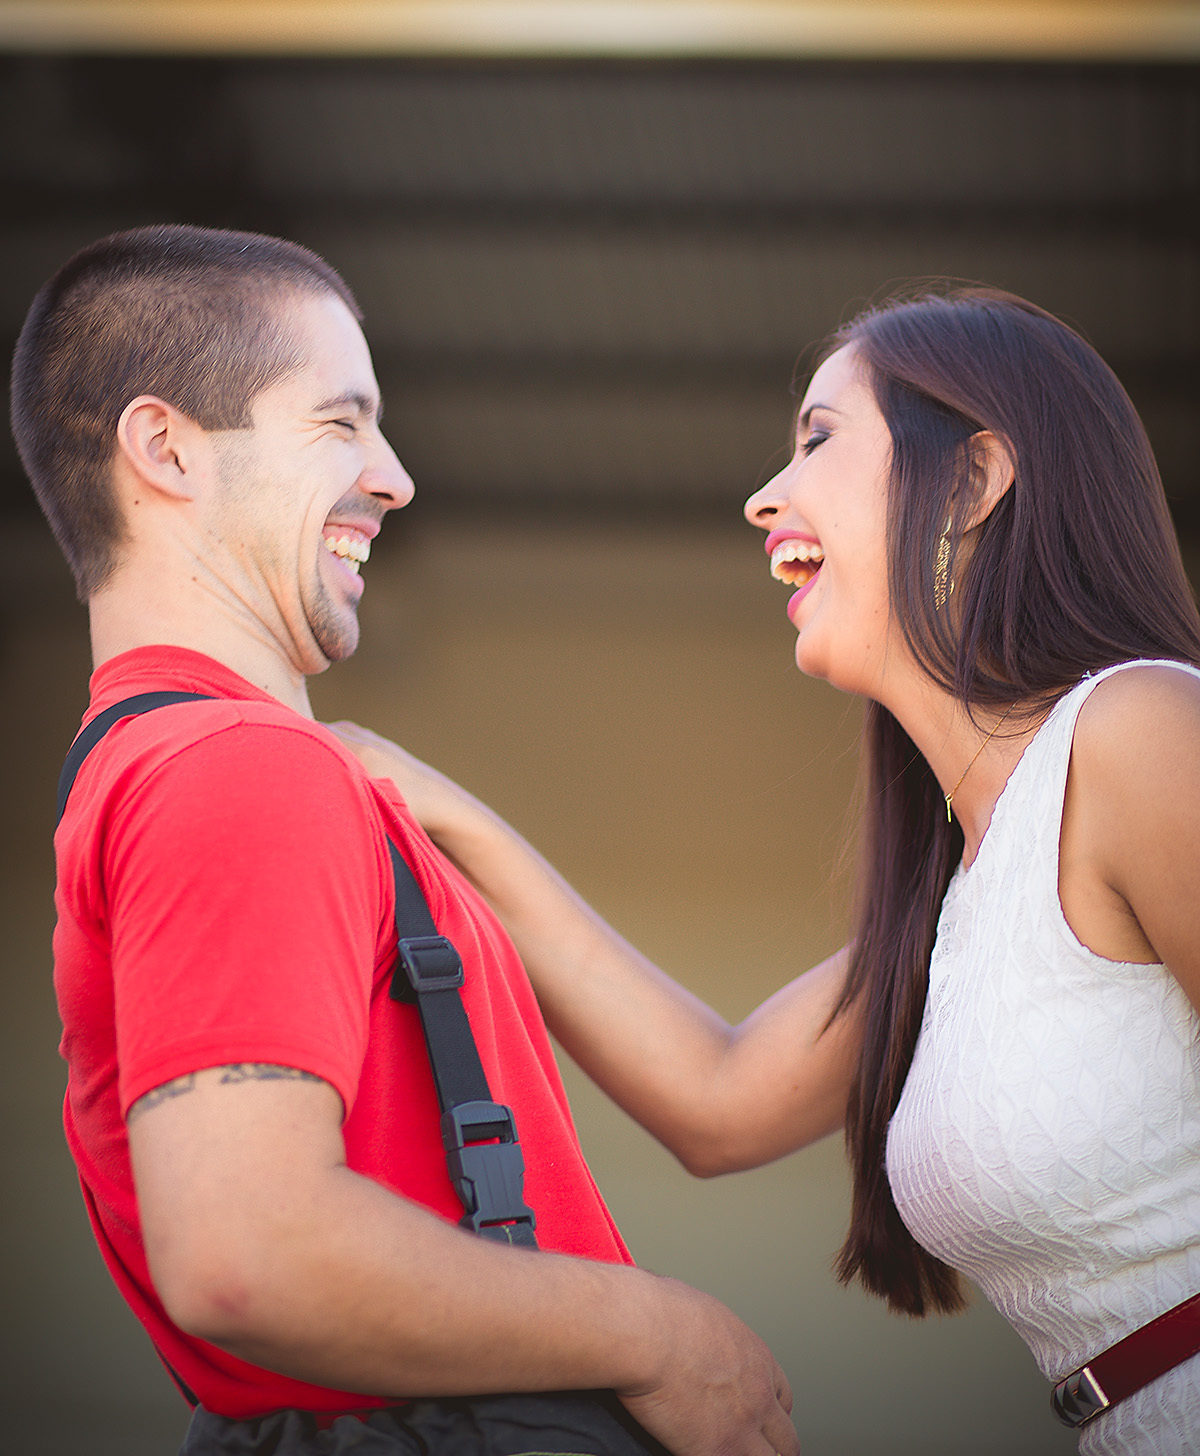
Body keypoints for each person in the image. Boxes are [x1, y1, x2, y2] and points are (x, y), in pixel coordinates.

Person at [338, 288, 1200, 1456]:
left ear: (973, 480)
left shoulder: (1144, 732)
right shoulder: (965, 902)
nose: (763, 496)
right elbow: (716, 1098)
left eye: (820, 437)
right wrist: (438, 810)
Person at [10, 224, 799, 1456]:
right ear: (166, 449)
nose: (394, 477)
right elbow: (247, 1252)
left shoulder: (162, 764)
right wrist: (663, 1336)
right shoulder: (235, 767)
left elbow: (720, 1094)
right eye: (341, 422)